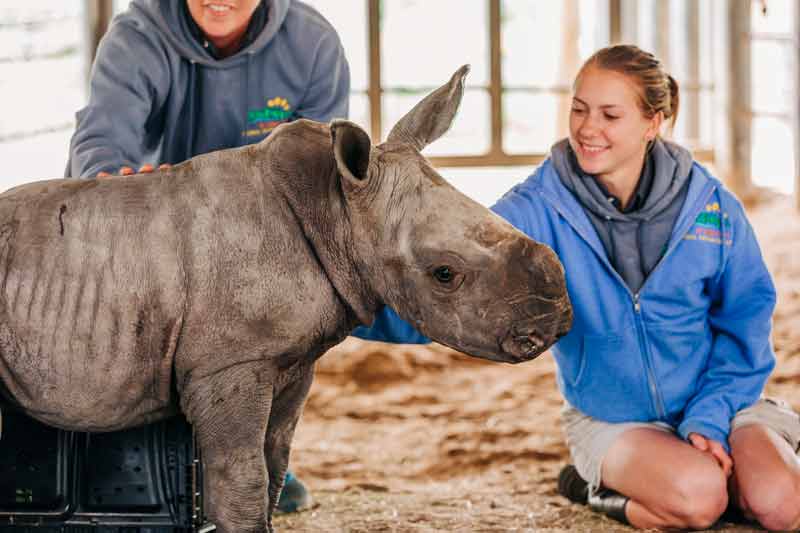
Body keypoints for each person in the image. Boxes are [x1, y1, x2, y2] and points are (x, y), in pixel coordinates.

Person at [353, 44, 800, 531]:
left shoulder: (713, 207)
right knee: (700, 500)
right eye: (580, 109)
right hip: (615, 418)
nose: (588, 128)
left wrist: (710, 417)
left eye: (610, 114)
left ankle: (725, 469)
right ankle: (590, 485)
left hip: (724, 401)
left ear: (653, 124)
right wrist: (349, 310)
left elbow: (746, 323)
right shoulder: (536, 210)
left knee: (782, 505)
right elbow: (454, 291)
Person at [66, 0, 351, 513]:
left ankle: (261, 455)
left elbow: (323, 176)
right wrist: (109, 181)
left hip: (263, 238)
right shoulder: (137, 36)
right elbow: (104, 136)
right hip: (159, 234)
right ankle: (147, 457)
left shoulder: (313, 45)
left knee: (288, 328)